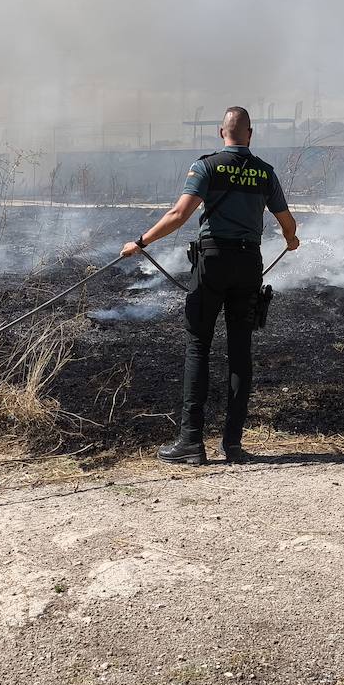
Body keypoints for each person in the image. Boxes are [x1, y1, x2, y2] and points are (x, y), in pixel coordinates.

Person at [121, 106, 300, 464]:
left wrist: (140, 242)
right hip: (249, 265)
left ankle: (190, 443)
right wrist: (292, 240)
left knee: (198, 347)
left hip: (212, 263)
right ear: (250, 134)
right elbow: (286, 223)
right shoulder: (265, 173)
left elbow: (178, 215)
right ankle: (232, 445)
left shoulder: (207, 166)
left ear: (222, 132)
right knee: (240, 352)